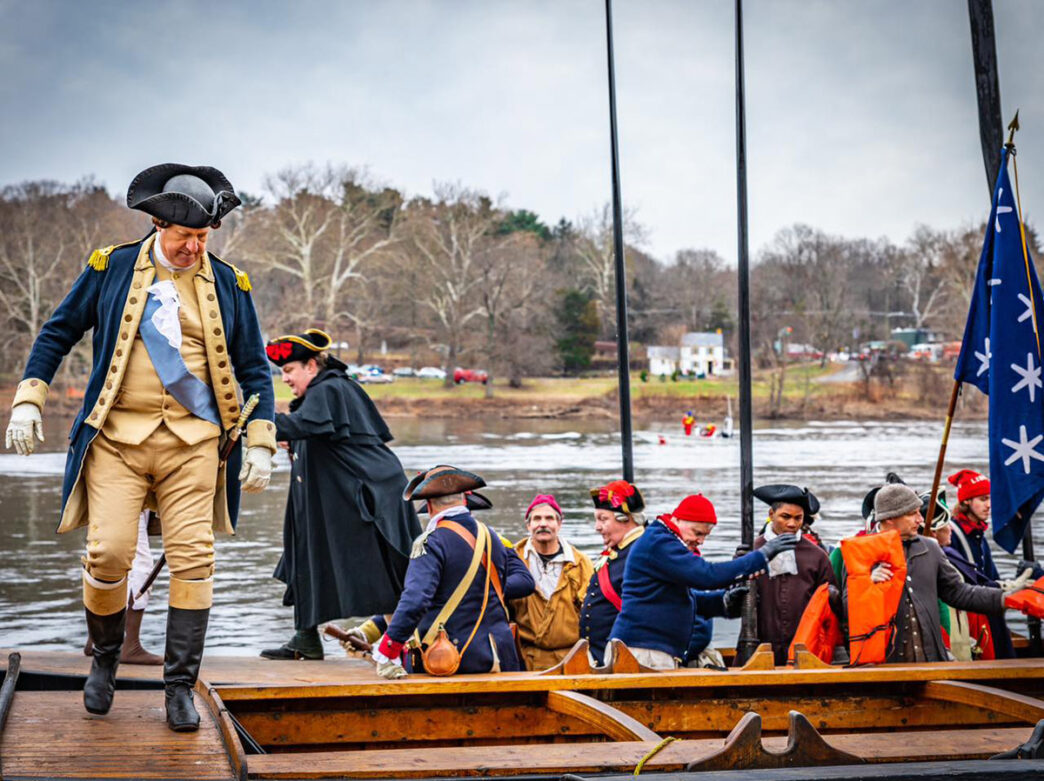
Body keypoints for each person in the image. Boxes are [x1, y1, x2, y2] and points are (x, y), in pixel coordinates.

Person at [4, 164, 276, 731]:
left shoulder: (229, 282)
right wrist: (29, 399)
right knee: (108, 556)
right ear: (157, 223)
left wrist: (261, 440)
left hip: (195, 443)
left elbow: (253, 368)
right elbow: (57, 331)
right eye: (184, 237)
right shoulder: (112, 266)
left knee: (195, 561)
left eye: (203, 238)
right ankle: (103, 661)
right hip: (117, 441)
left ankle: (178, 687)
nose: (194, 247)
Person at [261, 329, 421, 661]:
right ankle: (305, 637)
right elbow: (312, 431)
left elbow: (304, 426)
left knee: (379, 574)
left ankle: (404, 651)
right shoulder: (329, 390)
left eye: (289, 371)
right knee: (306, 556)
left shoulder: (329, 387)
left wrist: (256, 420)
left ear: (310, 365)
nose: (286, 379)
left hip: (362, 501)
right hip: (345, 499)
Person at [373, 466, 535, 678]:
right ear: (465, 501)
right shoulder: (493, 537)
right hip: (500, 654)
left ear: (429, 506)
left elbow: (415, 600)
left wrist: (388, 649)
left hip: (451, 657)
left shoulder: (430, 542)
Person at [610, 492, 797, 670]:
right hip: (643, 651)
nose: (700, 541)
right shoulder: (659, 543)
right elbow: (706, 575)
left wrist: (721, 601)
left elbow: (680, 598)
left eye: (705, 535)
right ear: (679, 520)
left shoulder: (662, 540)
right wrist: (761, 556)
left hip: (648, 648)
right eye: (697, 533)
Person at [844, 484, 1010, 663]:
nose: (920, 520)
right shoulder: (861, 554)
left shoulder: (930, 548)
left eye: (919, 512)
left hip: (931, 661)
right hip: (883, 666)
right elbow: (846, 611)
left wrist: (1005, 598)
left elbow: (959, 593)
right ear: (890, 518)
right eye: (912, 514)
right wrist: (866, 585)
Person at [928, 489, 1019, 660]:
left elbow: (986, 579)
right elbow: (959, 593)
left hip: (979, 612)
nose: (989, 505)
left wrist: (1010, 590)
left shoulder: (978, 538)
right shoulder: (952, 542)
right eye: (983, 499)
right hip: (966, 621)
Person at [752, 484, 837, 665]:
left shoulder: (817, 556)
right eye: (785, 517)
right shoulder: (752, 552)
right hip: (758, 647)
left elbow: (830, 609)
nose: (792, 524)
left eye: (798, 518)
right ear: (771, 514)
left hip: (806, 648)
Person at [510, 494, 594, 670]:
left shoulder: (580, 563)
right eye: (537, 519)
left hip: (571, 659)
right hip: (526, 659)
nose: (543, 524)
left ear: (559, 524)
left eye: (549, 518)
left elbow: (591, 611)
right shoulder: (513, 558)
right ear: (528, 525)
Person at [579, 480, 646, 664]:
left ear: (625, 518)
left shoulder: (640, 553)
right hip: (604, 656)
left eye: (603, 519)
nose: (597, 527)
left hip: (623, 658)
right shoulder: (624, 550)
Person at [83, 511, 162, 665]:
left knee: (105, 555)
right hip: (129, 495)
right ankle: (130, 645)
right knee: (138, 564)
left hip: (112, 495)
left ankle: (97, 638)